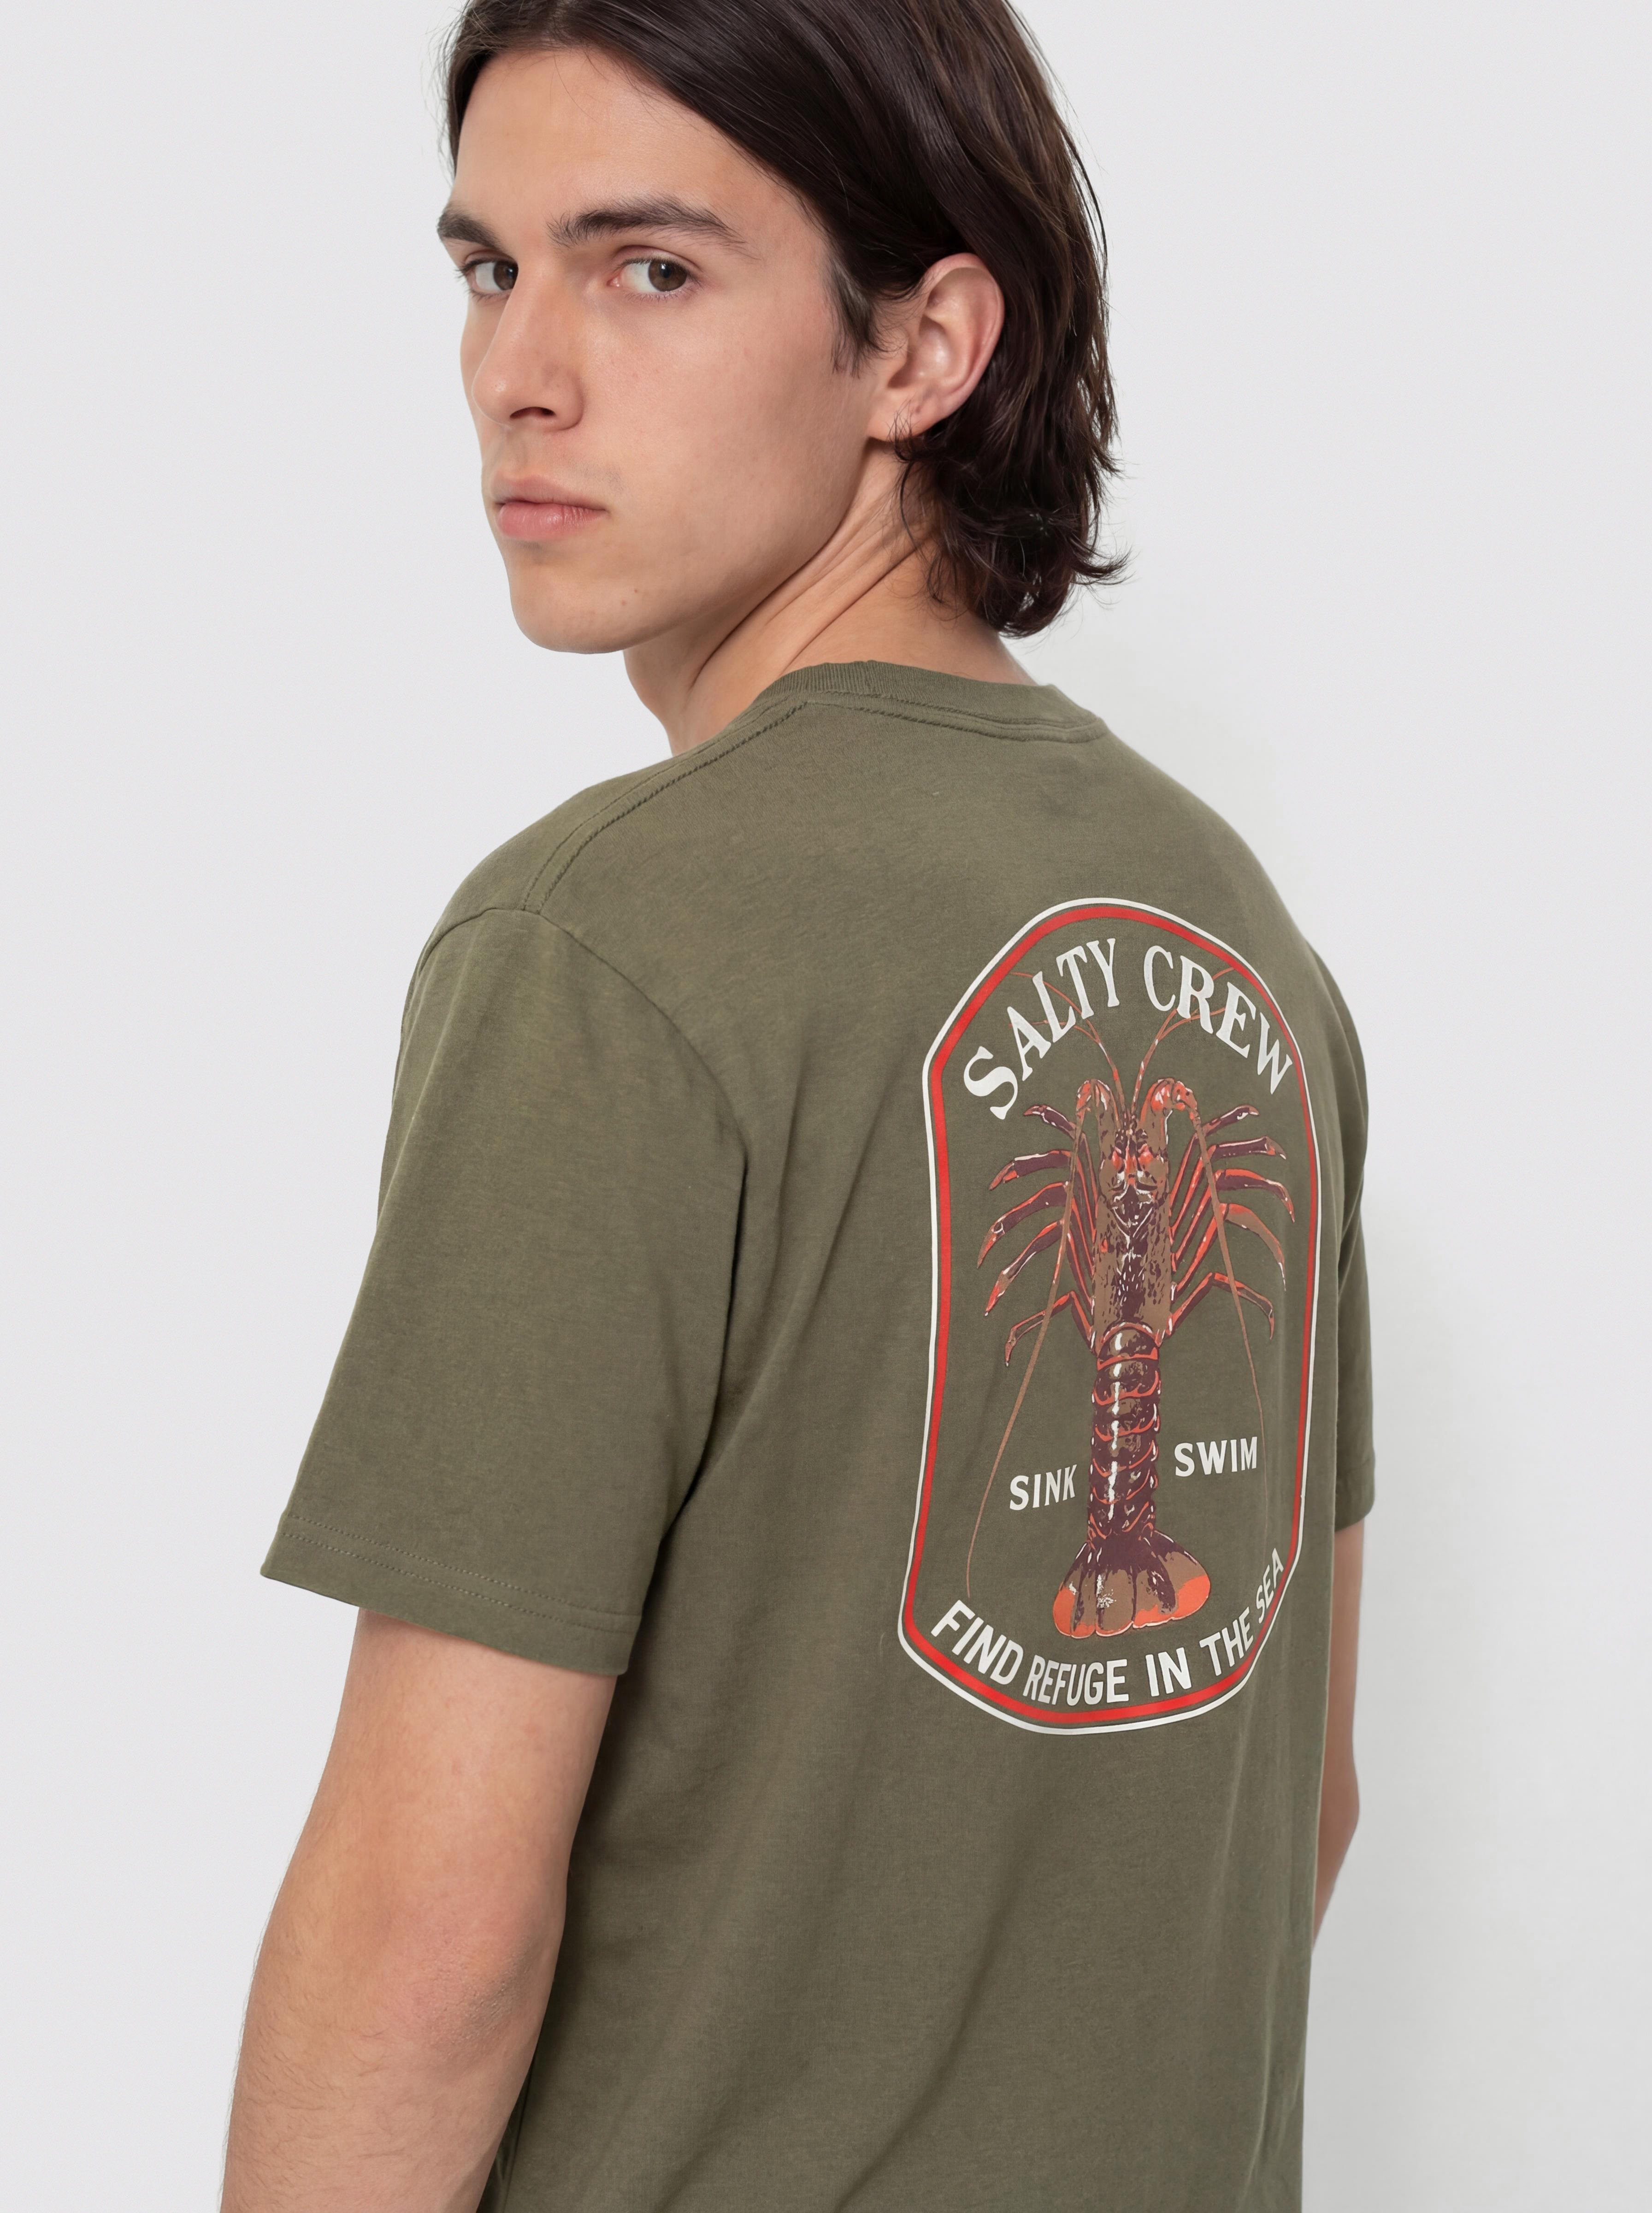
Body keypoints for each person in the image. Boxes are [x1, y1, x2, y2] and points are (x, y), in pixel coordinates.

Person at [223, 2, 1371, 2207]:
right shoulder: (1234, 937)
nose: (516, 370)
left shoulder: (599, 948)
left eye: (649, 268)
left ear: (921, 345)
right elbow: (1289, 1800)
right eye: (488, 267)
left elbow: (426, 1936)